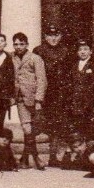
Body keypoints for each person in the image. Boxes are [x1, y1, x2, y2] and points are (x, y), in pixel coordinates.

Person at [33, 25, 70, 165]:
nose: (53, 38)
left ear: (60, 36)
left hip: (60, 92)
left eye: (56, 35)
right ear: (45, 37)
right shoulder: (38, 51)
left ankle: (54, 156)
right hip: (45, 92)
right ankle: (36, 156)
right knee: (44, 124)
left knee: (58, 125)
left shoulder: (65, 51)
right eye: (50, 35)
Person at [12, 32, 47, 170]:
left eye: (21, 44)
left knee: (32, 128)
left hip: (33, 97)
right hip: (20, 97)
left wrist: (39, 99)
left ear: (27, 44)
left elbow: (41, 79)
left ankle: (26, 158)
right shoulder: (11, 57)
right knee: (27, 128)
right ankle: (35, 157)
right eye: (16, 44)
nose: (18, 47)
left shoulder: (35, 58)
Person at [68, 40, 94, 141]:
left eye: (86, 49)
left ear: (91, 51)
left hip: (91, 105)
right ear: (77, 52)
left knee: (91, 132)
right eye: (80, 49)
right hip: (76, 105)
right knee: (78, 133)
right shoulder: (73, 67)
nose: (83, 52)